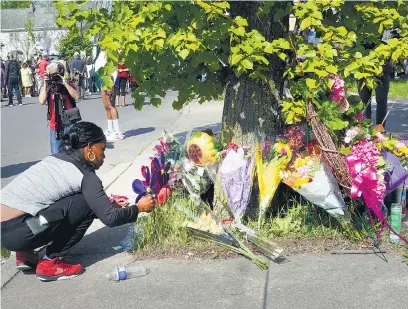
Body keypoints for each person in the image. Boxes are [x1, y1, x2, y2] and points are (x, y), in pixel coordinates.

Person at [0, 121, 157, 281]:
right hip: (20, 233)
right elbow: (110, 218)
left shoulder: (55, 159)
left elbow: (54, 201)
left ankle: (24, 254)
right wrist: (139, 208)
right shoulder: (86, 175)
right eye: (102, 149)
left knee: (65, 201)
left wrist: (105, 203)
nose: (104, 155)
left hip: (5, 231)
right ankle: (51, 262)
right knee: (86, 204)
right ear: (89, 148)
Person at [39, 62, 80, 154]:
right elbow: (41, 101)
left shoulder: (67, 83)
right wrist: (45, 84)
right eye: (51, 74)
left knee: (72, 150)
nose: (54, 77)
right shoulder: (49, 86)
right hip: (55, 122)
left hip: (69, 120)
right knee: (56, 151)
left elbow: (77, 96)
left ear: (60, 73)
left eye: (55, 74)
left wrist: (65, 83)